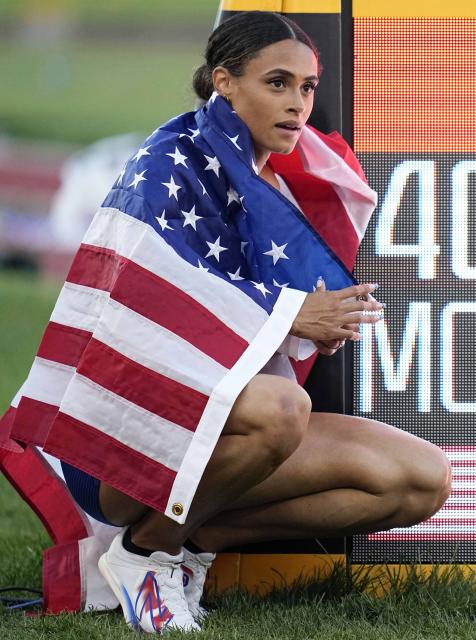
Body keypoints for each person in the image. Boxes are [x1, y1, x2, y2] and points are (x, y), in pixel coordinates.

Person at [13, 11, 451, 634]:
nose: (298, 104)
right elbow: (148, 313)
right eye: (277, 83)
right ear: (224, 81)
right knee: (281, 410)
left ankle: (187, 542)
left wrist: (311, 321)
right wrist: (293, 310)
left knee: (419, 482)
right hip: (120, 446)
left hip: (217, 435)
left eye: (306, 87)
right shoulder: (168, 160)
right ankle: (146, 554)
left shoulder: (281, 179)